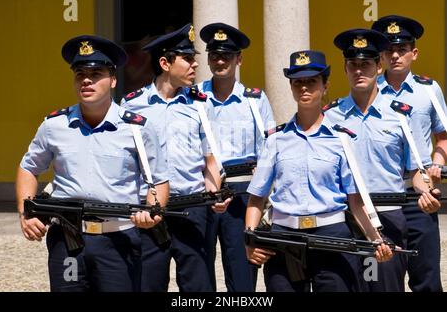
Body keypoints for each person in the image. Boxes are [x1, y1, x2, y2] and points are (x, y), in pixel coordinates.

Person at [16, 35, 169, 291]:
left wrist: (152, 213)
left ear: (113, 80)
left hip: (118, 240)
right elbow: (29, 167)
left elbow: (159, 180)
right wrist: (26, 213)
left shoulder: (137, 128)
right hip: (67, 239)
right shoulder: (54, 125)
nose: (86, 80)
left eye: (96, 73)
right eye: (80, 74)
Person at [245, 50, 393, 292]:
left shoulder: (342, 140)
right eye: (298, 82)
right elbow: (256, 198)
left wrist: (376, 240)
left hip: (332, 236)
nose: (304, 88)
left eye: (311, 81)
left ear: (325, 86)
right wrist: (249, 240)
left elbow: (355, 201)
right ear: (291, 87)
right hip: (283, 237)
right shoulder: (275, 140)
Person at [325, 28, 440, 291]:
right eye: (352, 64)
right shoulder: (331, 116)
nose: (358, 71)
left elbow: (413, 170)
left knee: (384, 284)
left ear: (379, 66)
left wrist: (426, 194)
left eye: (365, 64)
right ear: (345, 68)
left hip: (387, 216)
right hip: (344, 218)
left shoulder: (399, 116)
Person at [120, 23, 231, 292]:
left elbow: (210, 160)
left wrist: (216, 190)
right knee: (148, 283)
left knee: (198, 288)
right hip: (150, 210)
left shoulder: (201, 105)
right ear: (165, 63)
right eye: (188, 58)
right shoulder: (132, 105)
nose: (195, 65)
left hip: (192, 208)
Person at [197, 22, 275, 292]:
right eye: (215, 55)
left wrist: (264, 197)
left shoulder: (255, 99)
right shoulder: (193, 97)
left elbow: (269, 150)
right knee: (199, 274)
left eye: (227, 55)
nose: (220, 61)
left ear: (238, 59)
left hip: (243, 192)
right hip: (203, 190)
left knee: (242, 276)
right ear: (208, 58)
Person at [371, 15, 445, 292]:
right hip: (383, 195)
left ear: (414, 53)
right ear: (381, 54)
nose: (395, 55)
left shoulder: (428, 90)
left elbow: (443, 136)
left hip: (420, 196)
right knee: (385, 278)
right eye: (389, 50)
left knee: (426, 276)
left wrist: (436, 164)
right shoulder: (371, 91)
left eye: (402, 49)